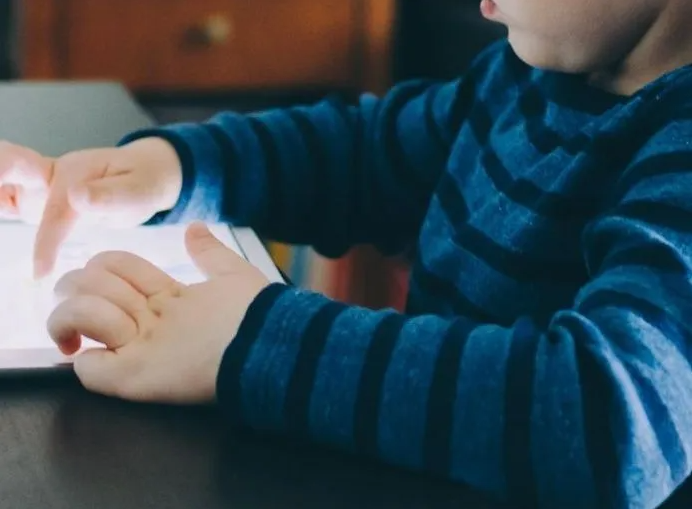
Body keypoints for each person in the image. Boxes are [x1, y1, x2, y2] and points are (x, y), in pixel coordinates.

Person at [2, 0, 692, 507]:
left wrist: (255, 339)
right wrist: (178, 168)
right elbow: (369, 155)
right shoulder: (530, 74)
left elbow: (610, 418)